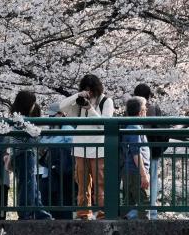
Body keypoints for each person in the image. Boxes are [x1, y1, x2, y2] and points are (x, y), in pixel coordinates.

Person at [59, 74, 114, 220]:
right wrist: (78, 95)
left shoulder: (106, 102)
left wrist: (90, 109)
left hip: (98, 148)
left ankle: (103, 213)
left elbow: (103, 125)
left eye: (90, 89)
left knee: (101, 183)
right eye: (85, 89)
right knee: (82, 183)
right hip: (80, 147)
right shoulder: (80, 102)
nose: (89, 92)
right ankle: (83, 213)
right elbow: (62, 106)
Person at [9, 90, 52, 220]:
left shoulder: (15, 118)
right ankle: (26, 213)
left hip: (19, 154)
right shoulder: (22, 121)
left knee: (31, 185)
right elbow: (33, 139)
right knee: (28, 185)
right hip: (25, 153)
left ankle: (39, 213)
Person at [134, 83, 166, 220]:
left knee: (136, 181)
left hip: (135, 152)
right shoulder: (154, 109)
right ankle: (152, 211)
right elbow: (163, 131)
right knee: (152, 180)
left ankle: (137, 210)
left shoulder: (132, 110)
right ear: (149, 95)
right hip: (153, 151)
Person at [38, 103, 76, 220]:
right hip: (48, 173)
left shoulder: (67, 129)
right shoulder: (48, 130)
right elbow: (41, 147)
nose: (51, 118)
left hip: (63, 173)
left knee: (63, 202)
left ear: (61, 114)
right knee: (47, 202)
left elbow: (71, 149)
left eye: (53, 115)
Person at [122, 96, 150, 219]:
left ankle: (121, 228)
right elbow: (136, 153)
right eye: (145, 108)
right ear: (140, 112)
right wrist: (144, 175)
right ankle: (147, 233)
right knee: (144, 204)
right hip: (135, 172)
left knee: (128, 204)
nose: (146, 111)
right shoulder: (134, 127)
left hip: (130, 171)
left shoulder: (131, 125)